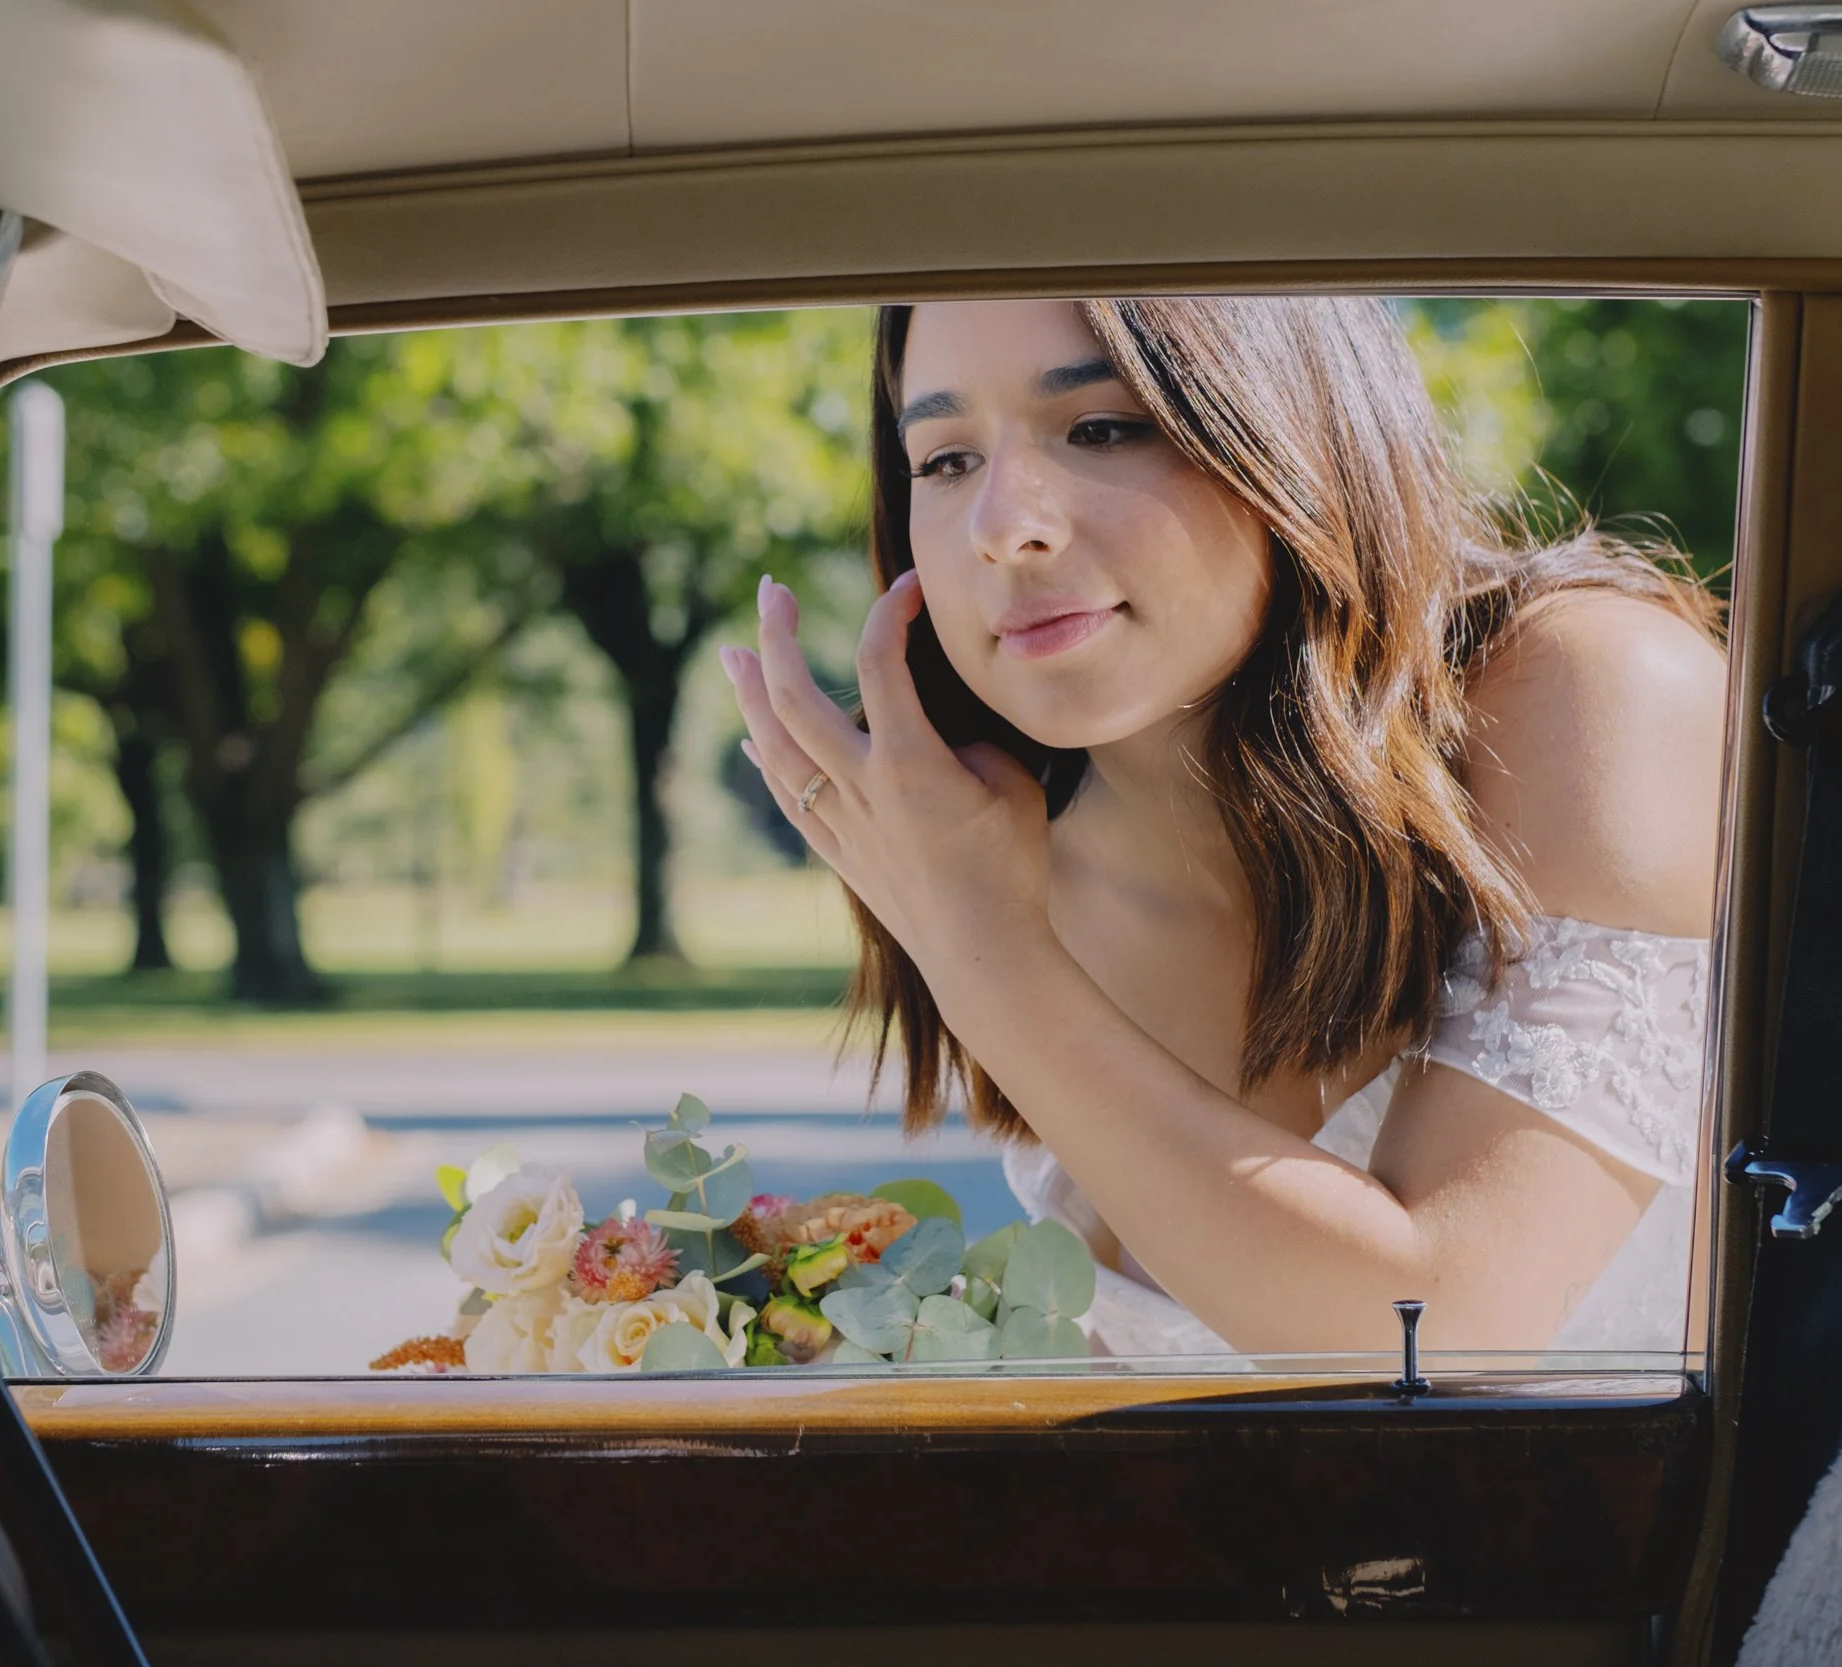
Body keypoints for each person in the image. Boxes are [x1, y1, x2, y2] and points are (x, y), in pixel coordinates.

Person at [721, 297, 1726, 1357]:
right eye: (944, 459)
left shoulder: (1593, 692)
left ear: (1290, 423)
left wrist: (982, 950)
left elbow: (1439, 1331)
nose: (1002, 526)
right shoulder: (1001, 848)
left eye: (1103, 428)